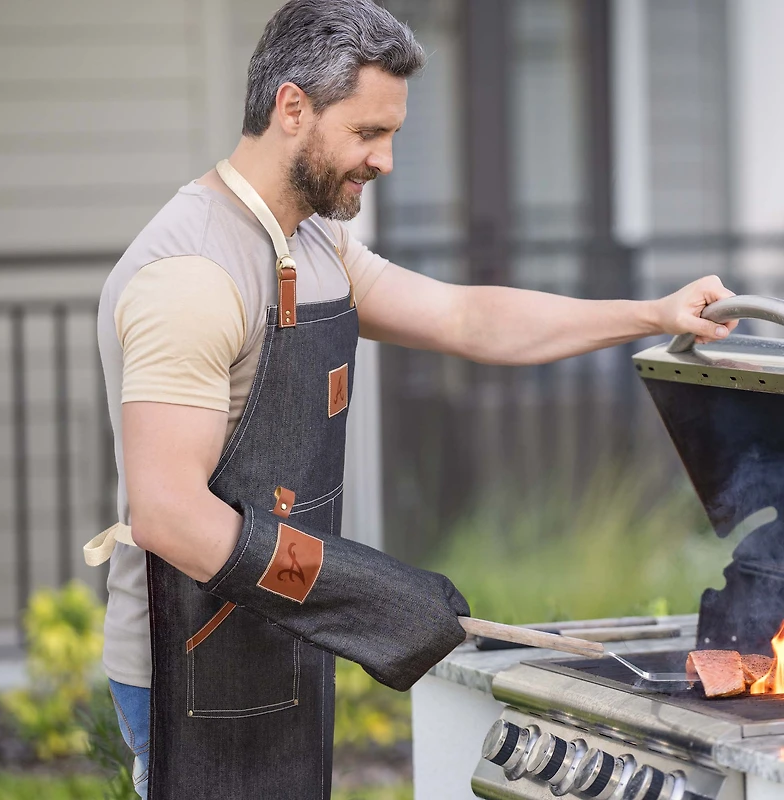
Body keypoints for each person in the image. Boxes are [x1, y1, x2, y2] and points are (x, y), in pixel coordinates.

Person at [84, 1, 736, 798]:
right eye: (367, 133)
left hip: (282, 632)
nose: (386, 160)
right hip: (190, 661)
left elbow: (467, 317)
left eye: (392, 134)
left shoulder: (313, 242)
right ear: (293, 108)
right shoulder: (192, 275)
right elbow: (169, 515)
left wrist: (650, 315)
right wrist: (362, 595)